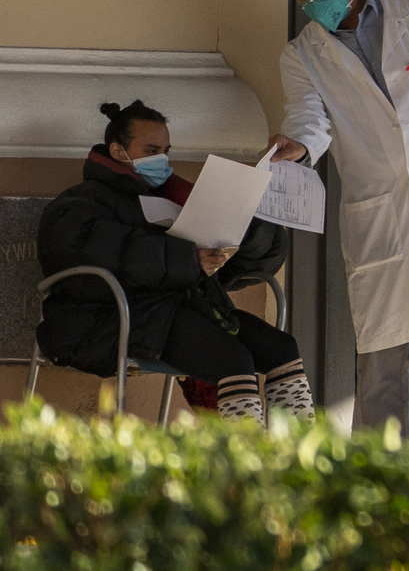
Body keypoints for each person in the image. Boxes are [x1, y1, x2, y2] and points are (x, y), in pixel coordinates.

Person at [265, 0, 409, 432]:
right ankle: (376, 483)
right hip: (382, 214)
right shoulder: (302, 56)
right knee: (380, 364)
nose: (312, 3)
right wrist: (299, 146)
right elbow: (309, 119)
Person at [36, 99, 316, 421]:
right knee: (232, 361)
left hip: (180, 308)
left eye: (166, 150)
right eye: (151, 149)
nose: (162, 159)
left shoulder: (175, 196)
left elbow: (236, 273)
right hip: (118, 317)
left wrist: (252, 230)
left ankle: (296, 451)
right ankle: (247, 463)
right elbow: (102, 253)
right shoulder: (77, 203)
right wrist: (188, 259)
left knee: (282, 349)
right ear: (117, 152)